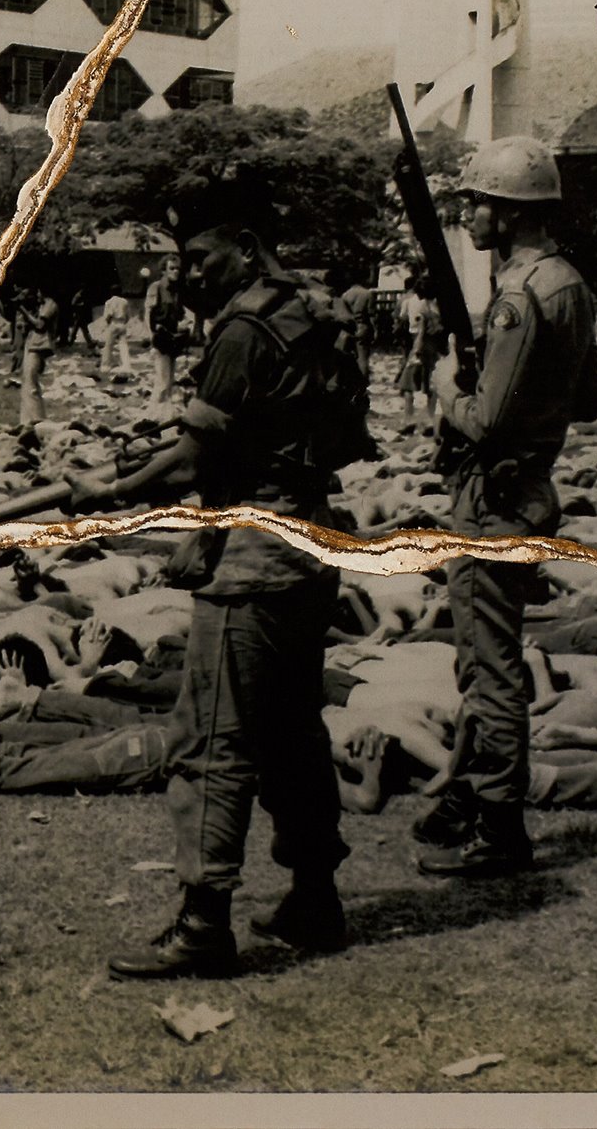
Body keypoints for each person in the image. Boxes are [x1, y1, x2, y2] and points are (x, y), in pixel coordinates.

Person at [103, 185, 373, 980]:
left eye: (200, 257)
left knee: (214, 737)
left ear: (247, 244)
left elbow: (192, 456)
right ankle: (313, 895)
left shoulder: (244, 330)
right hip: (308, 540)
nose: (190, 274)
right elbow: (343, 436)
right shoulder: (320, 313)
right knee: (293, 730)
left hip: (253, 554)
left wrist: (116, 492)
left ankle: (202, 921)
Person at [419, 134, 597, 878]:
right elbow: (586, 401)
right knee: (485, 658)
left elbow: (485, 420)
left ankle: (499, 823)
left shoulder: (521, 296)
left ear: (511, 211)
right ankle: (468, 793)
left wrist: (445, 384)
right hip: (530, 493)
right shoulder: (570, 284)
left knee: (487, 669)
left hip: (494, 500)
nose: (468, 213)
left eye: (478, 201)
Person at [396, 273, 440, 424]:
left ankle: (408, 420)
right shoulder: (438, 307)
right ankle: (431, 419)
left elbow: (421, 332)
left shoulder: (422, 306)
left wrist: (416, 351)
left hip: (421, 345)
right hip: (434, 348)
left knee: (407, 384)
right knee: (429, 386)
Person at [144, 256, 185, 396]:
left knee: (170, 380)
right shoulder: (157, 287)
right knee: (162, 380)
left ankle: (166, 412)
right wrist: (151, 335)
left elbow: (180, 314)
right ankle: (156, 413)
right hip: (161, 336)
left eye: (177, 269)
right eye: (172, 268)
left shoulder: (177, 291)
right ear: (163, 271)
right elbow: (148, 312)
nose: (175, 271)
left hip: (173, 337)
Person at [17, 293, 57, 427]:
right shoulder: (39, 306)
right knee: (27, 383)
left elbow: (40, 325)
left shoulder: (50, 305)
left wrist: (24, 311)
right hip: (32, 345)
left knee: (31, 384)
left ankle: (37, 418)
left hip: (39, 346)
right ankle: (26, 420)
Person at [99, 280, 136, 373]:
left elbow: (108, 315)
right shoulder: (125, 302)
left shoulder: (109, 302)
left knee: (109, 345)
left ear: (111, 292)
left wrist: (107, 325)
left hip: (114, 323)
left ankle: (106, 365)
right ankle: (126, 365)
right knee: (123, 345)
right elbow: (128, 316)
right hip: (122, 323)